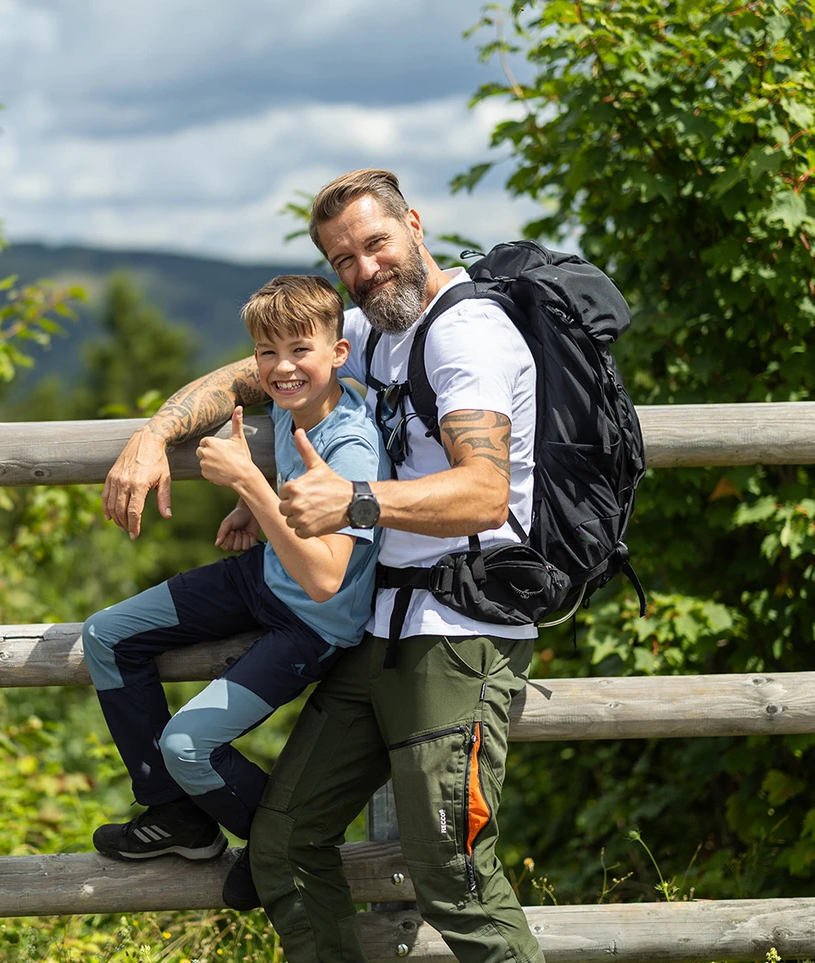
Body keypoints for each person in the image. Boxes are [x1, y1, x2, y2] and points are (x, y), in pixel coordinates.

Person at [101, 169, 546, 963]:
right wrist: (152, 434)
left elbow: (485, 492)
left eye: (376, 243)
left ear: (414, 224)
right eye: (345, 259)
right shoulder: (372, 328)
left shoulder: (465, 336)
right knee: (283, 845)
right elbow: (249, 372)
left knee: (451, 875)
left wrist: (347, 501)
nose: (365, 268)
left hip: (457, 631)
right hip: (378, 627)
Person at [82, 274, 384, 911]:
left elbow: (325, 580)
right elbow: (271, 459)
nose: (282, 368)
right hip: (264, 574)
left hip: (314, 622)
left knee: (187, 744)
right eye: (268, 353)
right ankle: (176, 815)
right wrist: (250, 502)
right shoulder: (293, 401)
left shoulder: (352, 445)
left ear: (339, 352)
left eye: (299, 350)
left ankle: (281, 844)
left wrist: (250, 486)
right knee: (106, 635)